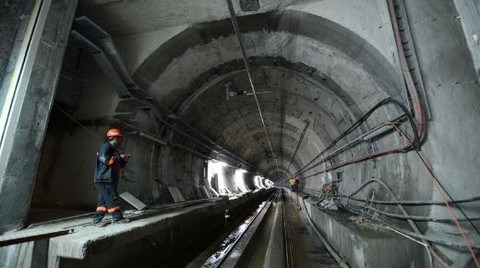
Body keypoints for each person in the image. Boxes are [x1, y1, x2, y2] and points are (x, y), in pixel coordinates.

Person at [92, 128, 130, 226]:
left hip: (110, 177)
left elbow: (118, 165)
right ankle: (117, 218)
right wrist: (118, 157)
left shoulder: (114, 150)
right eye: (119, 138)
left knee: (104, 201)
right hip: (105, 177)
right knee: (112, 197)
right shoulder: (105, 147)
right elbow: (106, 160)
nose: (120, 141)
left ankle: (96, 220)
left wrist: (124, 160)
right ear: (114, 138)